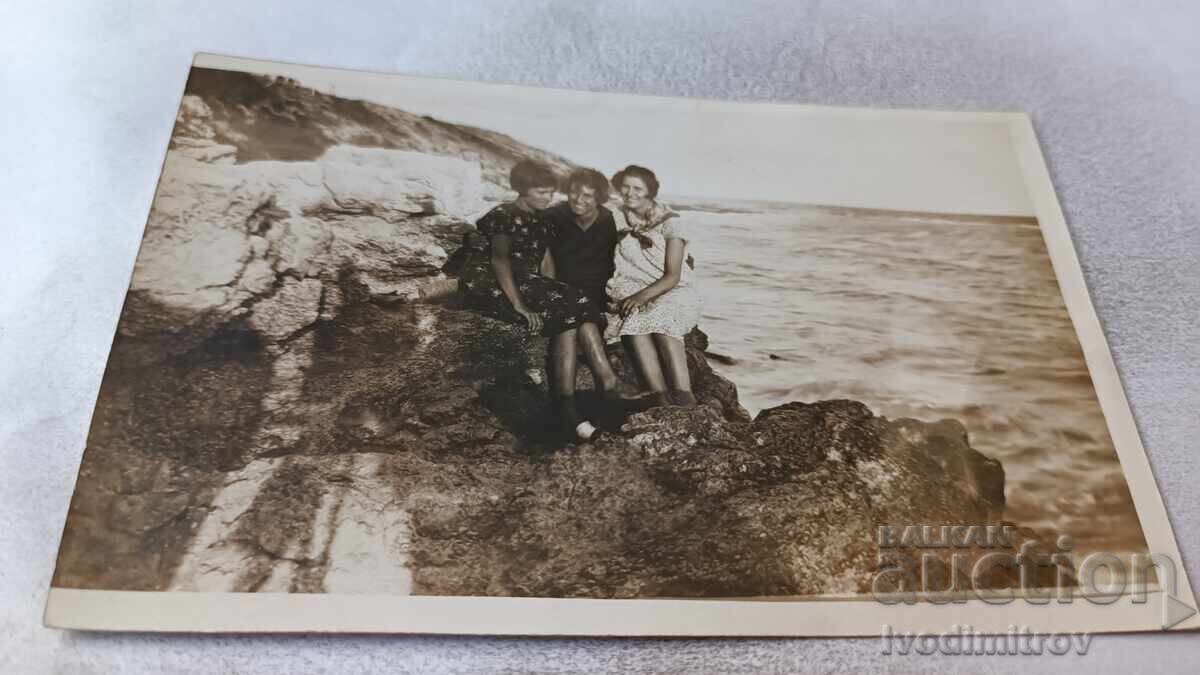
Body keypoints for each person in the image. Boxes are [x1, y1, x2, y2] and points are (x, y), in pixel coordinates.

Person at [458, 161, 633, 441]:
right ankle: (597, 391)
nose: (549, 199)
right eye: (542, 192)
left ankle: (575, 405)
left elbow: (546, 260)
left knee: (573, 306)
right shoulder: (506, 214)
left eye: (551, 193)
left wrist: (552, 289)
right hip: (495, 281)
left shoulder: (541, 218)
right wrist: (519, 304)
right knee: (572, 305)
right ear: (523, 189)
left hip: (528, 280)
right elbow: (499, 259)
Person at [545, 168, 642, 410]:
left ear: (599, 198)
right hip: (560, 290)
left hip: (595, 294)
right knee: (570, 320)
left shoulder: (611, 221)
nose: (579, 200)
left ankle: (566, 405)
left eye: (588, 196)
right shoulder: (553, 216)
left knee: (575, 317)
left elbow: (637, 252)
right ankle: (604, 386)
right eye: (574, 193)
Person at [605, 165, 702, 407]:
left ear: (650, 191)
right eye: (625, 187)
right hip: (632, 284)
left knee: (663, 319)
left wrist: (640, 298)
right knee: (634, 321)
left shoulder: (671, 222)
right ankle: (658, 396)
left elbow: (673, 276)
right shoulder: (615, 215)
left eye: (638, 188)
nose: (630, 193)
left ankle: (684, 394)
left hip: (673, 289)